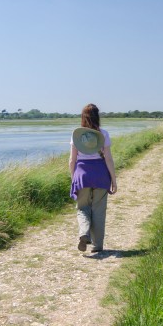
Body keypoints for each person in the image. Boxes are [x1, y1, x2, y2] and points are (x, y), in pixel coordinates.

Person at [69, 103, 117, 253]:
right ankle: (97, 246)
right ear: (98, 116)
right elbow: (108, 159)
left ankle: (84, 232)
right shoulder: (103, 134)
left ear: (83, 117)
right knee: (99, 211)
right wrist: (114, 180)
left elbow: (72, 160)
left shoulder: (77, 136)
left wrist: (74, 178)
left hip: (82, 175)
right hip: (101, 175)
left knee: (83, 208)